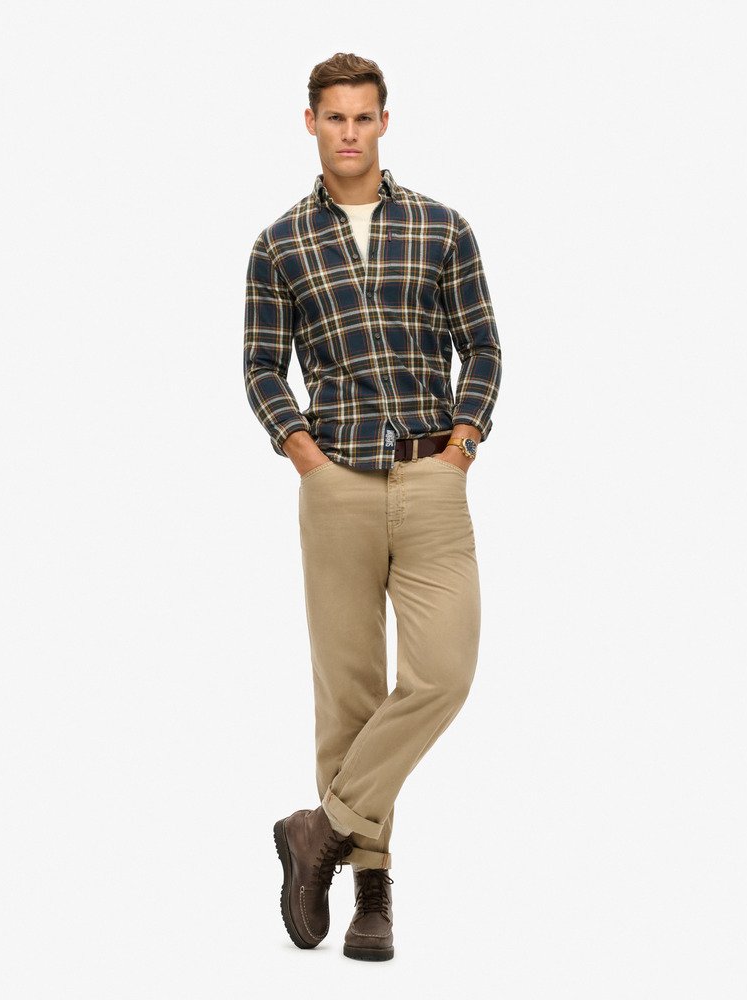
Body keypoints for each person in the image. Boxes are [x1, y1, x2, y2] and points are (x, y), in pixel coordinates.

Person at [243, 52, 502, 962]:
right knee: (348, 692)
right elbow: (261, 366)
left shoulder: (441, 226)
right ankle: (370, 893)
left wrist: (463, 443)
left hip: (432, 476)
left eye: (363, 117)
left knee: (443, 674)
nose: (349, 132)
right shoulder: (279, 243)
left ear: (384, 122)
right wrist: (303, 454)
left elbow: (483, 346)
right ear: (310, 122)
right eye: (334, 117)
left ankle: (322, 826)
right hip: (337, 486)